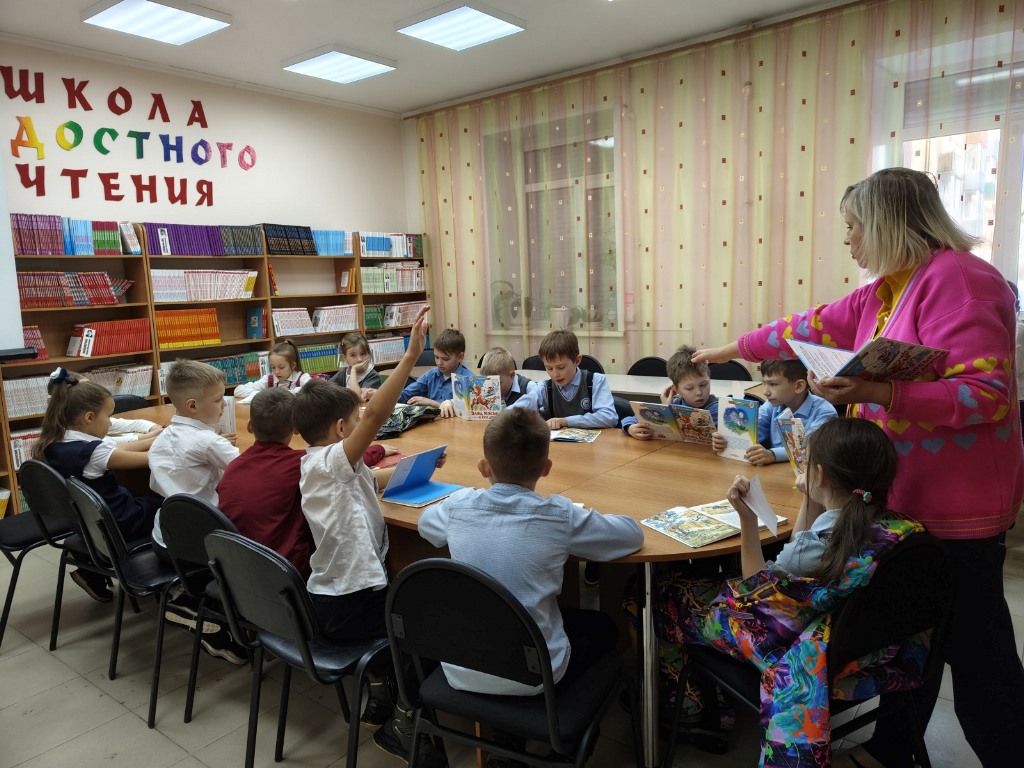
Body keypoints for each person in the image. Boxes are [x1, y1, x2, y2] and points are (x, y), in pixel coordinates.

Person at [694, 167, 1024, 768]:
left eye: (854, 226)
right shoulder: (887, 289)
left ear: (887, 223)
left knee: (980, 660)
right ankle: (896, 749)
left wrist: (879, 392)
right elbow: (805, 326)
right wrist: (730, 350)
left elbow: (987, 396)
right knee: (909, 641)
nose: (848, 239)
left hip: (957, 510)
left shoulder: (964, 281)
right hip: (906, 502)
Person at [654, 418, 924, 767]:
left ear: (820, 475)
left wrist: (747, 520)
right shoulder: (889, 528)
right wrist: (811, 497)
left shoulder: (819, 548)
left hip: (785, 638)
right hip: (862, 643)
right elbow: (799, 551)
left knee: (662, 595)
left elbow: (756, 591)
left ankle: (693, 707)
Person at [418, 407, 644, 768]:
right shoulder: (560, 515)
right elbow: (631, 535)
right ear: (546, 468)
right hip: (535, 674)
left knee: (522, 618)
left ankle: (507, 739)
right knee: (601, 627)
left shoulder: (458, 506)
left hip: (460, 665)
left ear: (483, 467)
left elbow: (426, 526)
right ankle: (565, 744)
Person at [291, 307, 445, 768]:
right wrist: (411, 354)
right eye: (356, 421)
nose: (364, 424)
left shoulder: (318, 464)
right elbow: (377, 412)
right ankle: (406, 722)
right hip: (348, 602)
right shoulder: (332, 461)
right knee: (422, 631)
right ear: (342, 430)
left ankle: (378, 693)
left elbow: (367, 479)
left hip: (335, 597)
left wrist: (412, 468)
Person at [34, 367, 162, 601]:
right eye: (108, 416)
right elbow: (152, 460)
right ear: (89, 418)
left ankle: (91, 570)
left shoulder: (56, 441)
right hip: (122, 522)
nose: (110, 422)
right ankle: (177, 585)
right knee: (172, 507)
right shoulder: (93, 452)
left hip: (88, 524)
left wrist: (152, 438)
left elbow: (112, 451)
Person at [148, 358, 245, 664]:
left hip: (164, 539)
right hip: (201, 547)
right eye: (218, 400)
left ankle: (187, 595)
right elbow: (249, 471)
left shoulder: (163, 437)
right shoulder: (207, 441)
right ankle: (215, 620)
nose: (223, 406)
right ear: (192, 405)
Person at [216, 388, 314, 578]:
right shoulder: (300, 462)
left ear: (250, 426)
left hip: (238, 572)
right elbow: (341, 459)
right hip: (286, 572)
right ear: (296, 429)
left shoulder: (233, 466)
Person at [710, 358, 836, 465]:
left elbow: (808, 448)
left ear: (798, 386)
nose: (765, 392)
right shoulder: (772, 405)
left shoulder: (825, 413)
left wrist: (773, 455)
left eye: (773, 384)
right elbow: (749, 433)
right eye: (764, 383)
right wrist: (726, 440)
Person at [510, 329, 618, 429]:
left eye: (561, 367)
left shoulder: (595, 381)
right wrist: (505, 416)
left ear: (577, 360)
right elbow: (524, 404)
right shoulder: (543, 388)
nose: (555, 374)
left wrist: (565, 421)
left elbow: (609, 417)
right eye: (549, 368)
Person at [622, 344, 719, 439]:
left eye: (703, 385)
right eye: (689, 388)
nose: (699, 392)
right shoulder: (674, 404)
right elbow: (630, 419)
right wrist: (630, 428)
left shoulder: (717, 410)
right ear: (676, 389)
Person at [397, 327, 472, 416]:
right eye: (436, 357)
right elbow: (404, 396)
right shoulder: (431, 375)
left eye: (445, 359)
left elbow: (466, 411)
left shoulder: (468, 380)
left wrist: (433, 404)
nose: (439, 363)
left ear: (460, 357)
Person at [233, 339, 313, 402]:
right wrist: (266, 394)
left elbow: (311, 390)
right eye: (273, 367)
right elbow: (238, 391)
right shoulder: (269, 379)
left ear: (293, 365)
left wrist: (289, 392)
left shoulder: (302, 377)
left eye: (281, 367)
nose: (276, 372)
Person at [330, 331, 382, 402]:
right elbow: (327, 389)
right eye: (353, 355)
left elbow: (357, 397)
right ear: (345, 358)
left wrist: (353, 370)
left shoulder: (373, 376)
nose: (359, 359)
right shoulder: (344, 371)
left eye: (363, 354)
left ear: (369, 354)